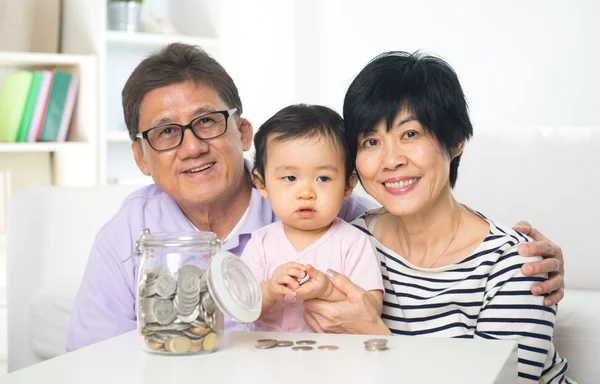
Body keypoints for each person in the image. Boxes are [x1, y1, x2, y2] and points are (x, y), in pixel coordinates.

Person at [66, 43, 565, 351]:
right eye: (166, 133)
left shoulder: (338, 219)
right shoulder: (128, 239)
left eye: (206, 122)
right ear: (139, 157)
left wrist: (522, 259)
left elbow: (419, 221)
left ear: (242, 130)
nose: (192, 146)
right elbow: (90, 362)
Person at [303, 51, 573, 383]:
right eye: (371, 141)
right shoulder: (348, 242)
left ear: (455, 139)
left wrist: (374, 335)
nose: (390, 161)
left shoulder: (515, 264)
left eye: (410, 134)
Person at [240, 104, 384, 332]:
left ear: (348, 185)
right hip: (266, 359)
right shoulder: (260, 243)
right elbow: (242, 308)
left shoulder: (354, 243)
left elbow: (372, 310)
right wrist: (269, 290)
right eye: (290, 177)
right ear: (261, 184)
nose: (306, 193)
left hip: (333, 360)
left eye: (323, 178)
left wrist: (327, 291)